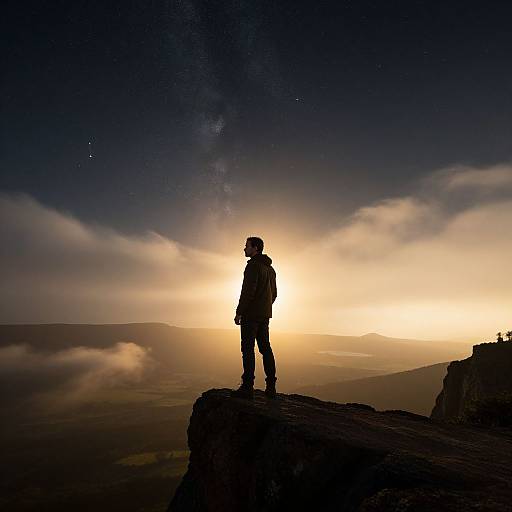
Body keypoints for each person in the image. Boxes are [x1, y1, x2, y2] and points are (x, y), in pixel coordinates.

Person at [231, 236, 278, 400]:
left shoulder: (252, 266)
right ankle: (271, 387)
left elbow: (247, 291)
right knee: (266, 349)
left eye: (247, 246)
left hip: (251, 315)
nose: (244, 249)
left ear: (255, 248)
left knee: (248, 349)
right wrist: (265, 307)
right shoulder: (270, 269)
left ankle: (247, 387)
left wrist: (239, 311)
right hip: (265, 315)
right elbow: (274, 294)